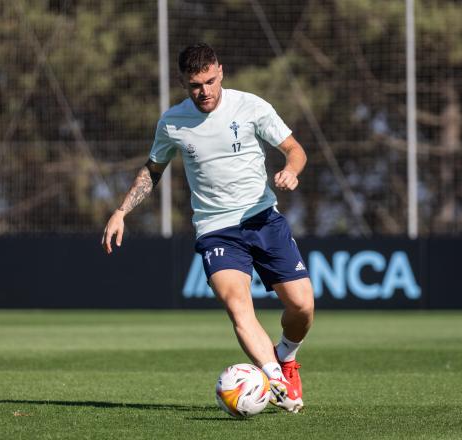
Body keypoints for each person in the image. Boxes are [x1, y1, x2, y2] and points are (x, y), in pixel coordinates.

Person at [102, 43, 314, 413]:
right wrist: (122, 210)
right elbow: (154, 170)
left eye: (210, 81)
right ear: (184, 82)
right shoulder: (172, 122)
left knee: (302, 307)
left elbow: (295, 149)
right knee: (237, 304)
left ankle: (286, 357)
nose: (204, 91)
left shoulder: (251, 107)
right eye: (195, 85)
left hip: (263, 219)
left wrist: (290, 171)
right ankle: (275, 381)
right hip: (216, 230)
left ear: (221, 72)